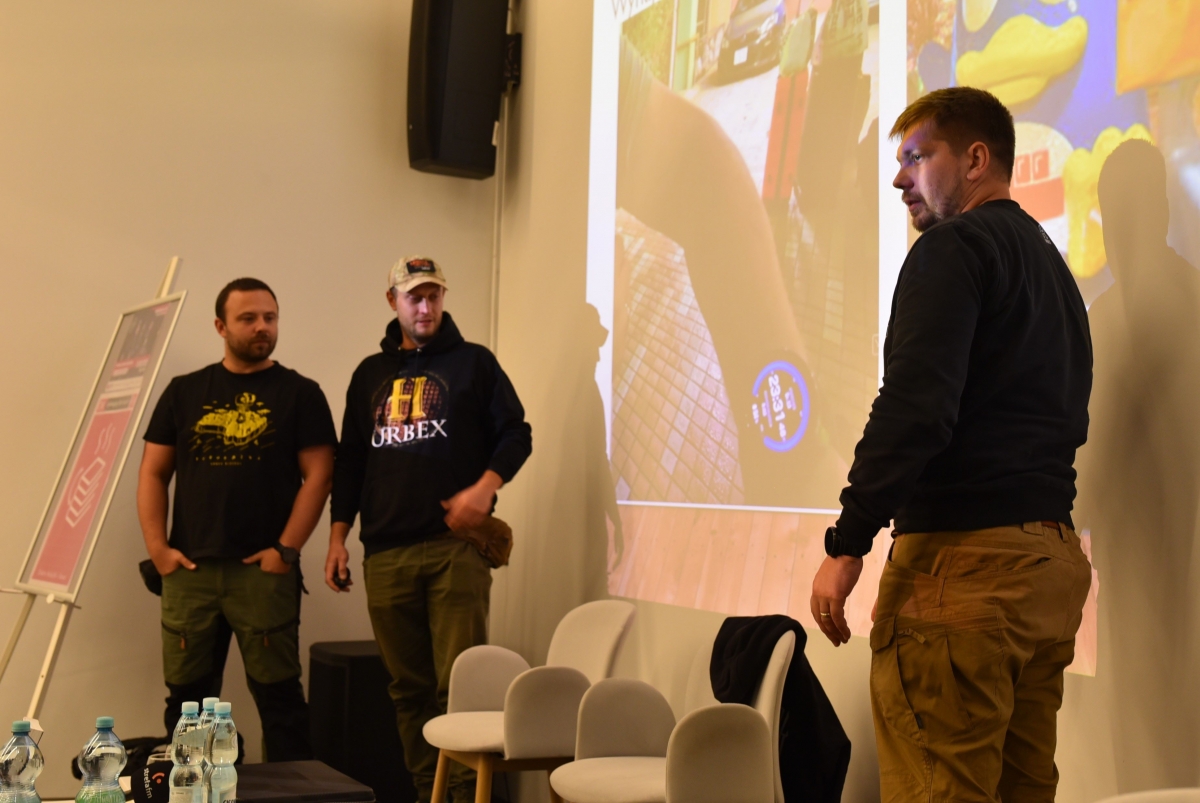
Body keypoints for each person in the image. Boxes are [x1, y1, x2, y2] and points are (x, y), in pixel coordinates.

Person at [809, 87, 1094, 802]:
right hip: (1049, 567)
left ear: (975, 160)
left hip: (965, 572)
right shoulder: (1055, 272)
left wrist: (848, 542)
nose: (899, 177)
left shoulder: (953, 247)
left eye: (917, 156)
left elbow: (916, 407)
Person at [325, 256, 531, 803]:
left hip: (453, 550)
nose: (425, 307)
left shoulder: (474, 363)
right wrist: (337, 537)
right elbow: (350, 462)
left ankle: (466, 796)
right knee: (408, 691)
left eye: (434, 295)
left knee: (461, 689)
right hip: (384, 553)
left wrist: (485, 486)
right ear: (392, 301)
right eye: (414, 296)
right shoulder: (369, 375)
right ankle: (429, 792)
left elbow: (516, 433)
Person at [138, 278, 337, 759]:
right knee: (186, 703)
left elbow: (320, 475)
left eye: (270, 317)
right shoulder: (184, 392)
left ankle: (290, 791)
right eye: (248, 318)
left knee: (280, 699)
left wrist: (286, 550)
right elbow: (153, 472)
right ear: (221, 326)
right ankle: (195, 787)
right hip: (190, 572)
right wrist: (158, 550)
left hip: (263, 573)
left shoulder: (301, 393)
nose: (262, 327)